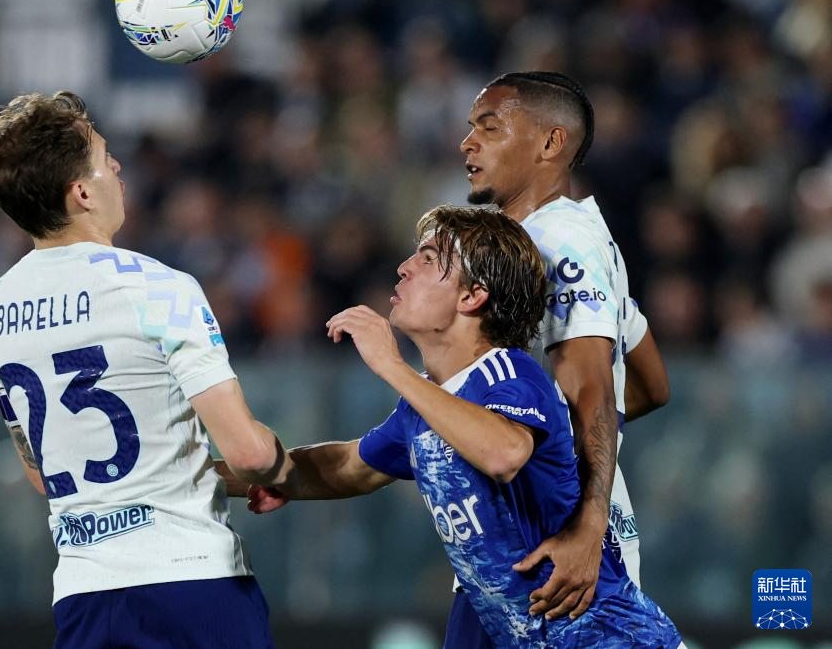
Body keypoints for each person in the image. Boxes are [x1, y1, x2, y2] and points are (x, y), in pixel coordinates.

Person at [219, 205, 682, 647]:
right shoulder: (425, 403)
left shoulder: (511, 374)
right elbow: (349, 466)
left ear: (472, 295)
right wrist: (216, 474)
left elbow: (504, 453)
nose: (404, 268)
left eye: (427, 259)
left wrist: (391, 365)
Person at [0, 91, 292, 649]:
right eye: (104, 158)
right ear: (82, 192)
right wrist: (280, 468)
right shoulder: (158, 286)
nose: (117, 168)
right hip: (192, 584)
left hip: (84, 596)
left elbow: (42, 473)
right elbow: (250, 453)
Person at [459, 71, 671, 619]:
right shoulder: (572, 236)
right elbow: (650, 385)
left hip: (560, 552)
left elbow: (592, 388)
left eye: (490, 127)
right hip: (524, 540)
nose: (468, 143)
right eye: (471, 128)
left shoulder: (559, 241)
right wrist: (547, 440)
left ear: (551, 142)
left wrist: (587, 527)